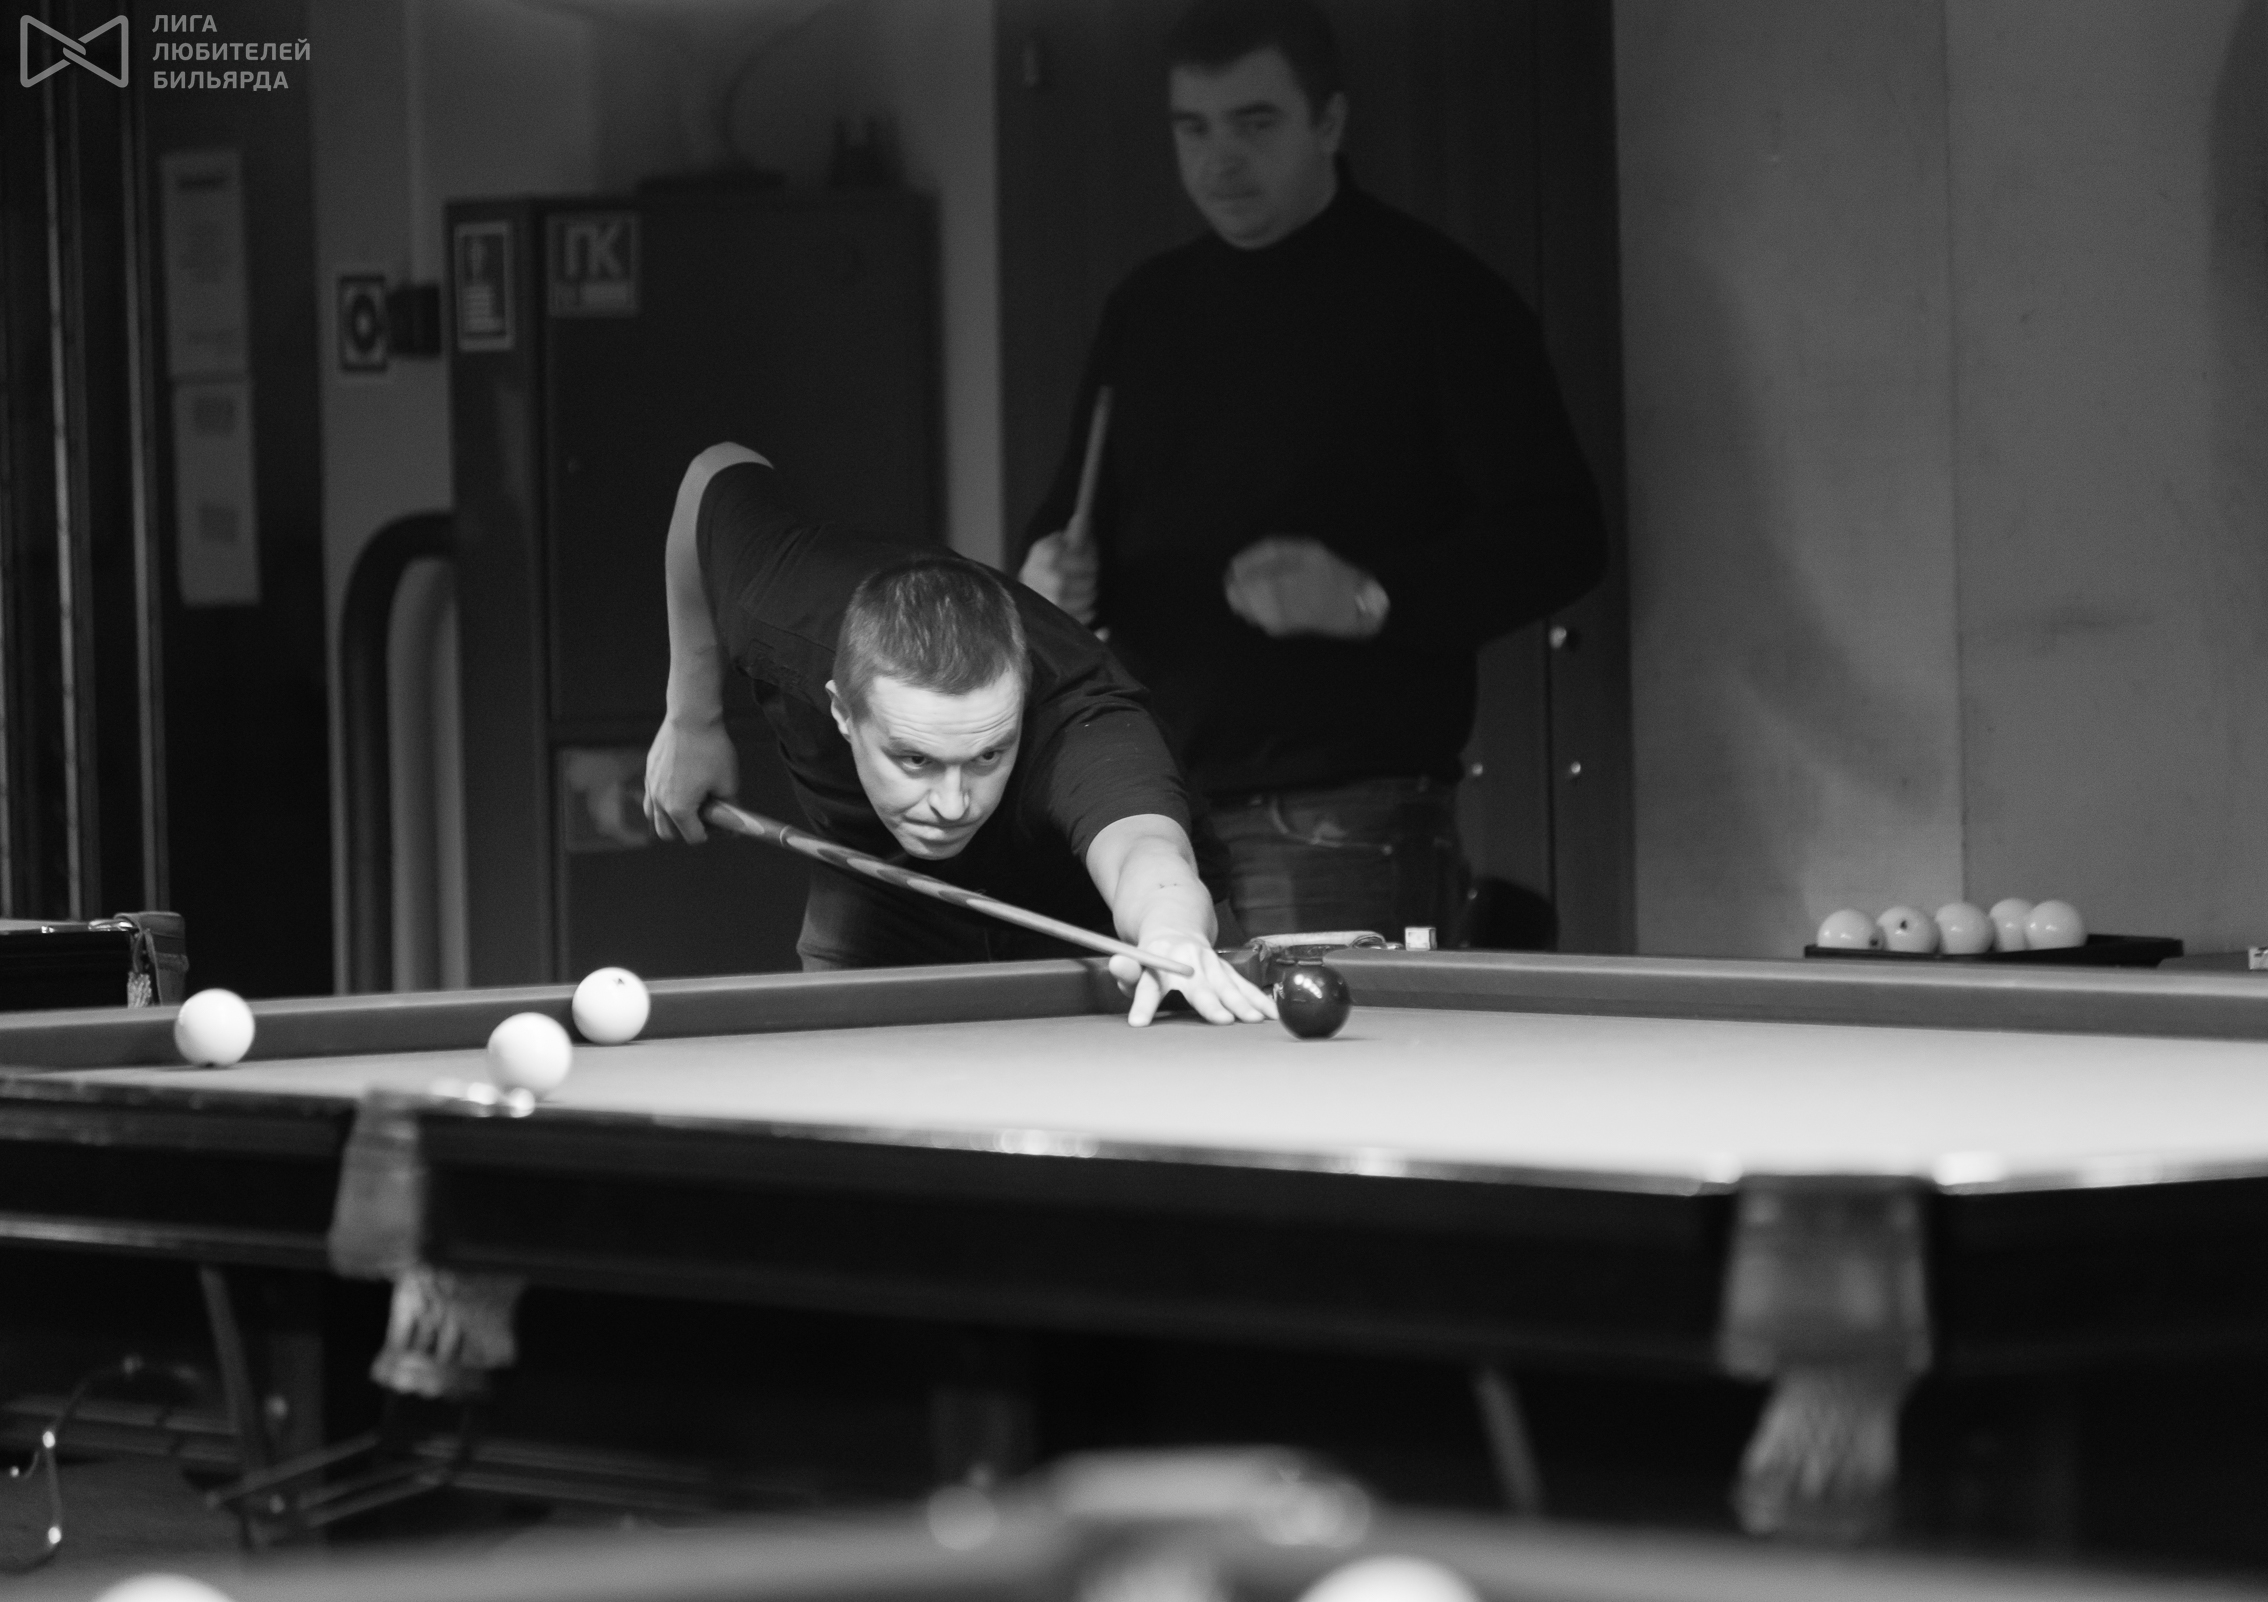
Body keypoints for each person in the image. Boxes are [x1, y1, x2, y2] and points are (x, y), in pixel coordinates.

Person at [1015, 0, 1606, 945]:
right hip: (1151, 804)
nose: (1220, 160)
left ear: (1329, 123)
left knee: (1327, 1049)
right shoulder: (1149, 308)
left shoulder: (1441, 298)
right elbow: (1068, 524)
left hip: (1347, 810)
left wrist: (1370, 597)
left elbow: (1563, 536)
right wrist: (1051, 576)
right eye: (1193, 128)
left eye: (1255, 123)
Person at [643, 443, 1272, 1027]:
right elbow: (713, 472)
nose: (952, 804)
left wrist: (1171, 932)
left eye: (988, 755)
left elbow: (1147, 855)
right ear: (842, 710)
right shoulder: (778, 600)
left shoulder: (1084, 723)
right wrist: (690, 718)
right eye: (915, 759)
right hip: (881, 893)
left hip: (1092, 919)